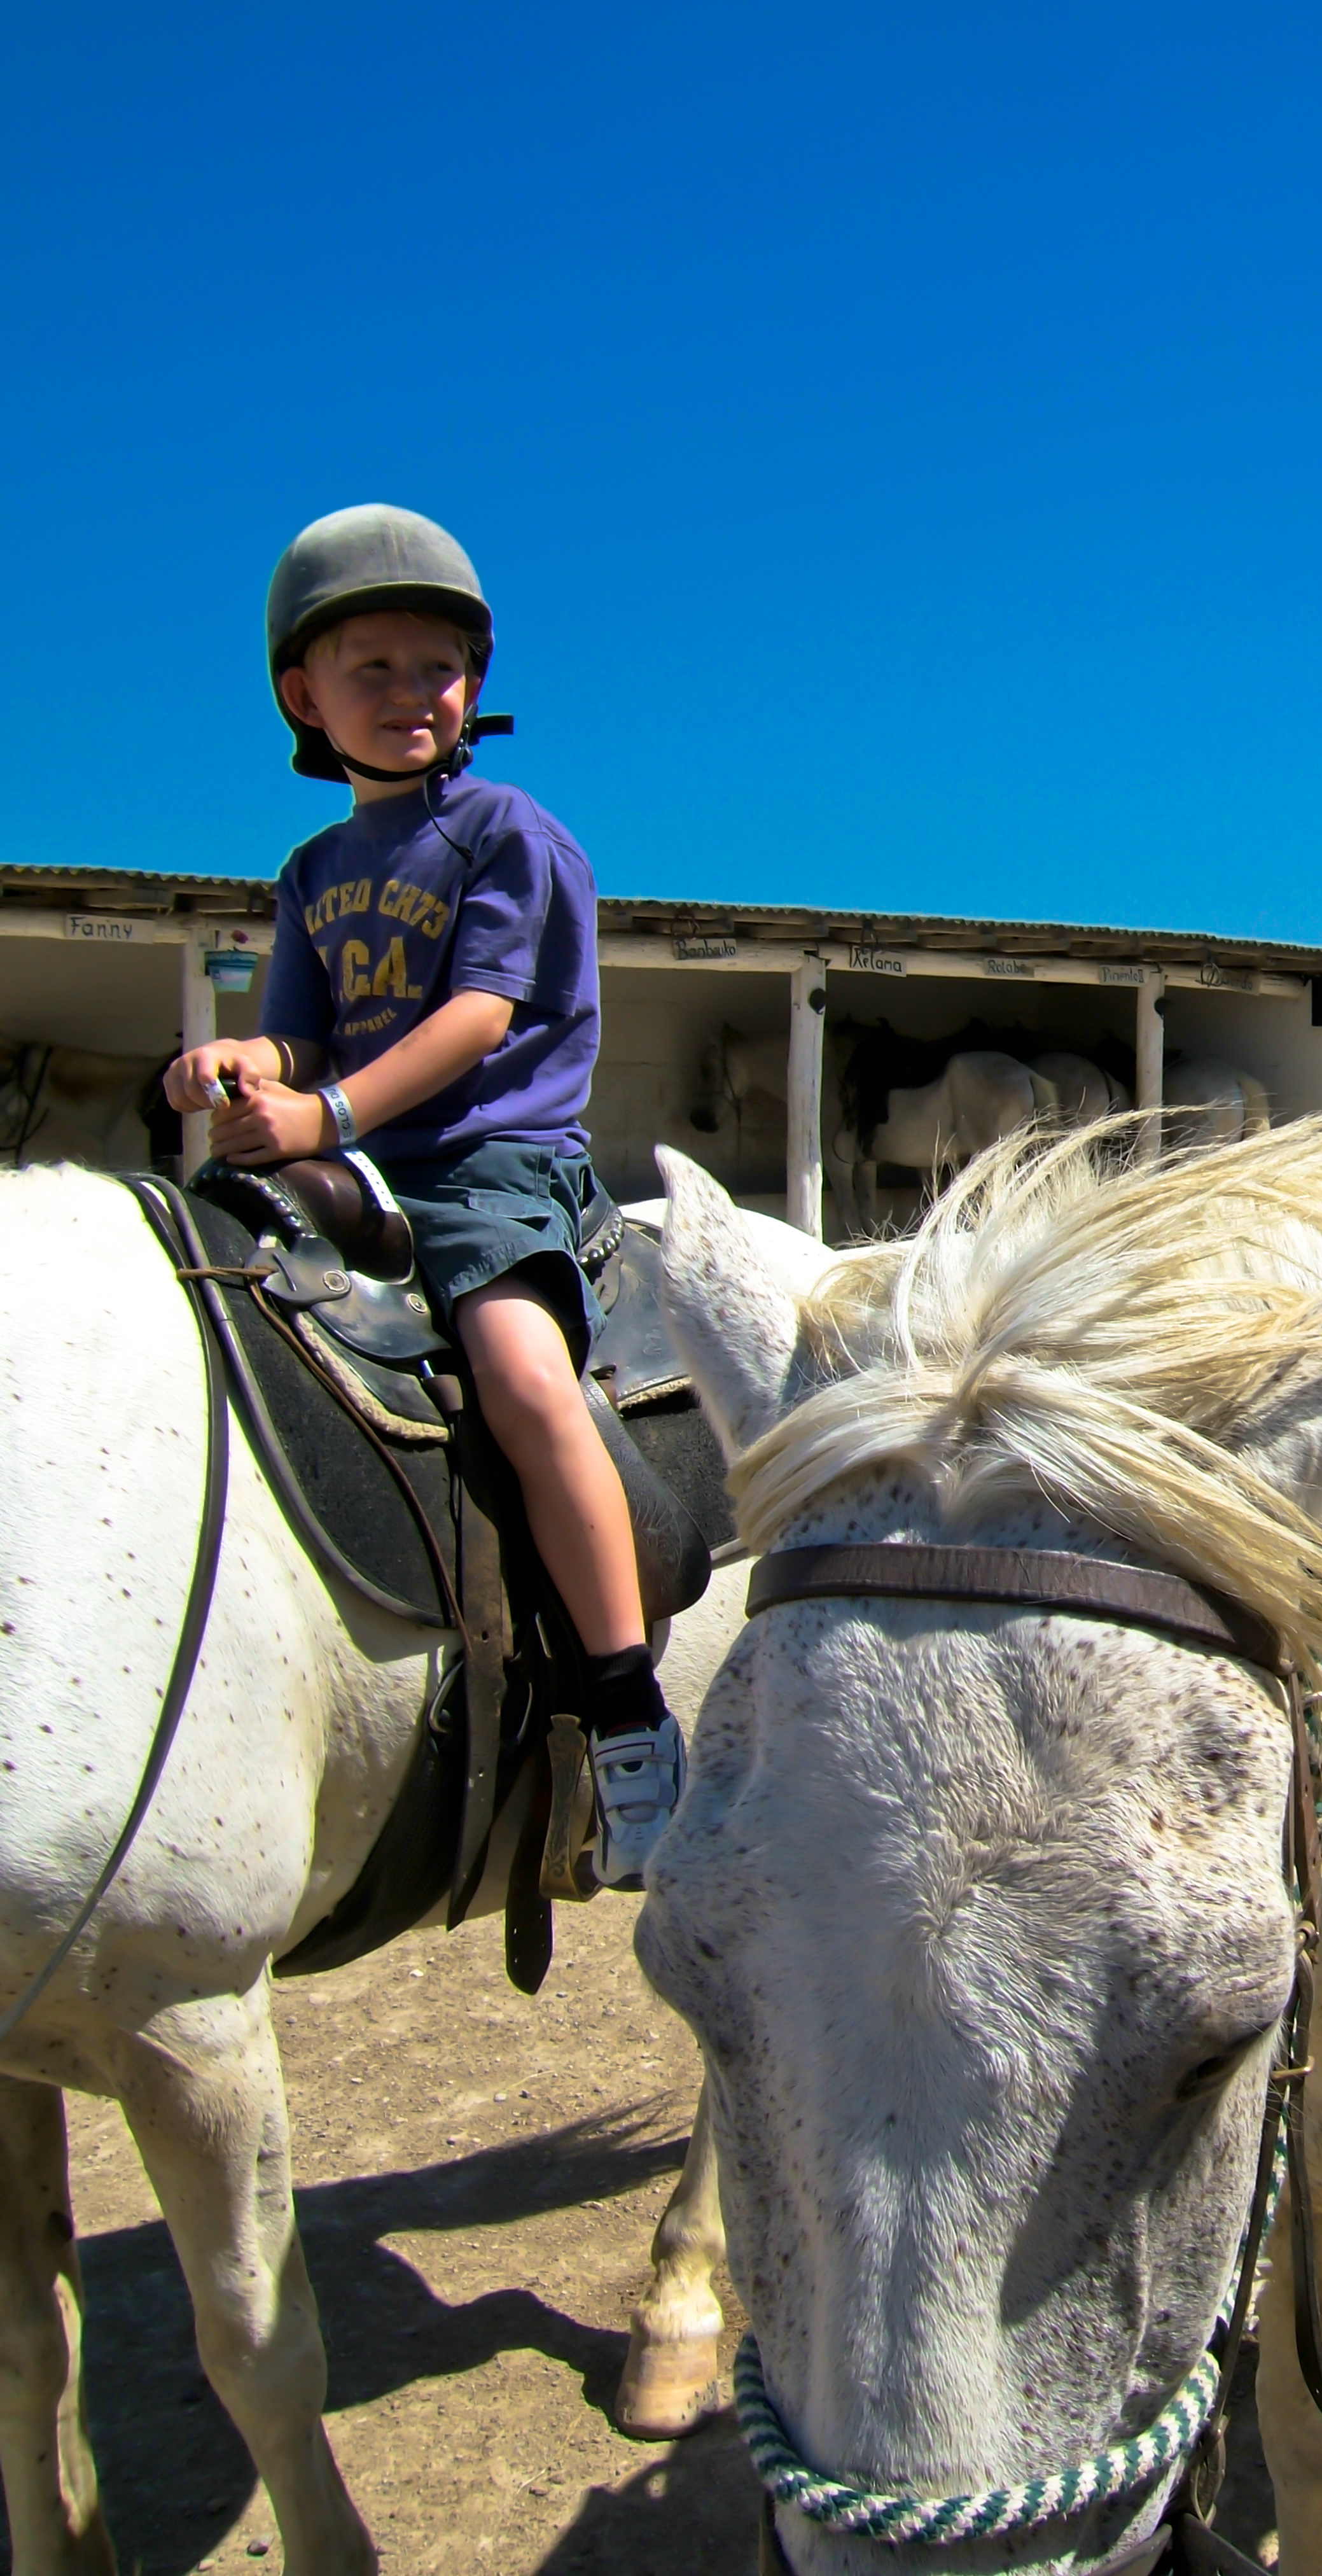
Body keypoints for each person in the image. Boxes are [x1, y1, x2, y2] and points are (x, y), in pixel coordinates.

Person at [162, 504, 679, 1887]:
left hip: (485, 1164)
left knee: (520, 1375)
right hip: (356, 1154)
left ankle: (628, 1706)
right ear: (302, 695)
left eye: (436, 667)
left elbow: (472, 1016)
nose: (409, 694)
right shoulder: (312, 872)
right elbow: (301, 1036)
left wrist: (322, 1112)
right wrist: (237, 1062)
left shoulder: (503, 831)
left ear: (474, 685)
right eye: (371, 668)